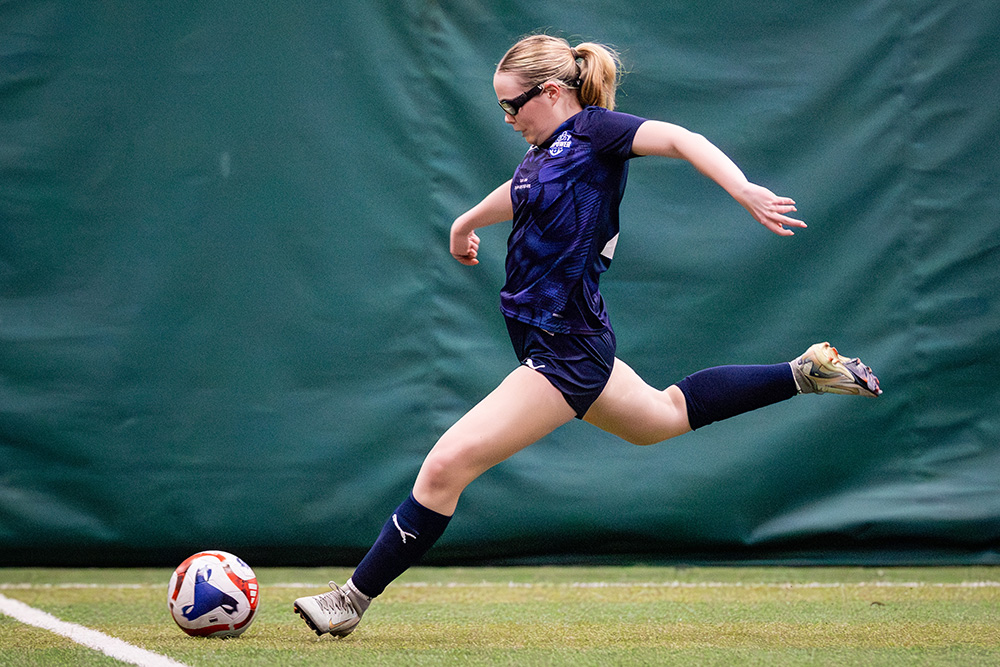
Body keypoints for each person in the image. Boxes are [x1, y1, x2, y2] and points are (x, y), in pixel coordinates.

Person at [293, 34, 881, 637]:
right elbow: (520, 192)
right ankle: (803, 373)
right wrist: (467, 219)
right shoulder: (545, 150)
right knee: (661, 417)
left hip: (563, 350)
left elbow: (683, 138)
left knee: (447, 464)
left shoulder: (597, 132)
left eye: (511, 105)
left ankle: (350, 600)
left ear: (550, 91)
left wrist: (742, 189)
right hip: (567, 341)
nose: (506, 118)